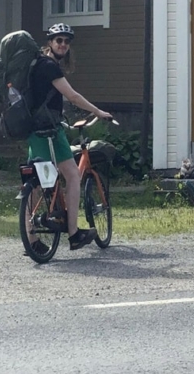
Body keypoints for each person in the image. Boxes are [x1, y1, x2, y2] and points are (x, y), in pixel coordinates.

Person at [26, 23, 114, 253]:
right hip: (50, 132)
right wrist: (98, 112)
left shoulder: (36, 64)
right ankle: (74, 234)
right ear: (50, 42)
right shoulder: (49, 67)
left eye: (66, 41)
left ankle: (31, 239)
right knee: (73, 176)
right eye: (59, 40)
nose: (63, 45)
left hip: (34, 130)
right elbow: (73, 96)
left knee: (35, 183)